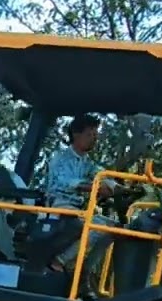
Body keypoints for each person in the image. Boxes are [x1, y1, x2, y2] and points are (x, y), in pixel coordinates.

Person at [42, 114, 119, 282]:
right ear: (76, 134)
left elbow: (102, 175)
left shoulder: (87, 162)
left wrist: (119, 188)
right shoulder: (60, 157)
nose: (94, 139)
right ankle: (59, 261)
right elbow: (65, 182)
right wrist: (95, 187)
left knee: (111, 227)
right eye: (90, 135)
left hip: (77, 209)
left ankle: (84, 272)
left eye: (96, 135)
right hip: (58, 205)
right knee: (97, 226)